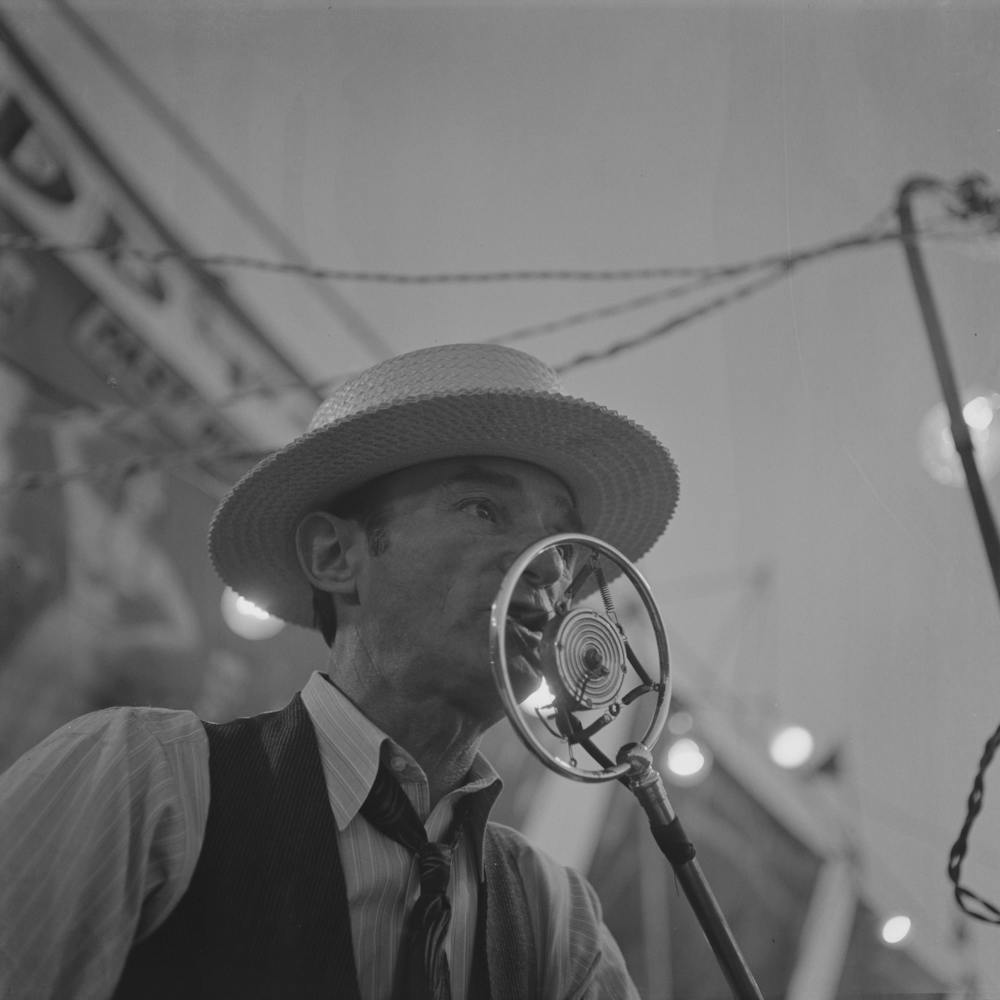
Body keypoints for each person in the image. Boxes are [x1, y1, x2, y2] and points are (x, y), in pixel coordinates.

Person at [0, 342, 679, 999]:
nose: (547, 569)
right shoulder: (141, 784)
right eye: (483, 508)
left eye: (562, 546)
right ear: (334, 555)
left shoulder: (560, 926)